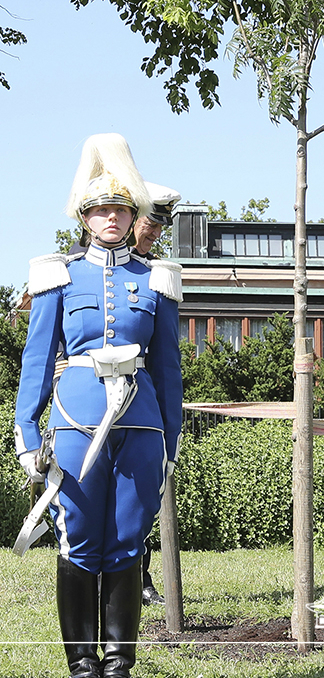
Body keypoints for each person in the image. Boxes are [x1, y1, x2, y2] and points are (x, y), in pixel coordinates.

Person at [14, 134, 183, 678]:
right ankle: (82, 670)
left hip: (139, 428)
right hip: (77, 421)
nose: (112, 218)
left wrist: (170, 440)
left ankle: (119, 671)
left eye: (121, 209)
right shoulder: (57, 276)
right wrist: (28, 431)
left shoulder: (156, 279)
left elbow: (167, 368)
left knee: (128, 544)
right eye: (101, 210)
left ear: (133, 216)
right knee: (80, 543)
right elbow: (37, 359)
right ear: (85, 218)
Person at [131, 183, 181, 607]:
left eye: (159, 227)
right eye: (150, 223)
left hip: (139, 398)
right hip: (87, 402)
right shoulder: (79, 264)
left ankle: (139, 576)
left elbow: (166, 357)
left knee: (141, 494)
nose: (153, 235)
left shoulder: (155, 276)